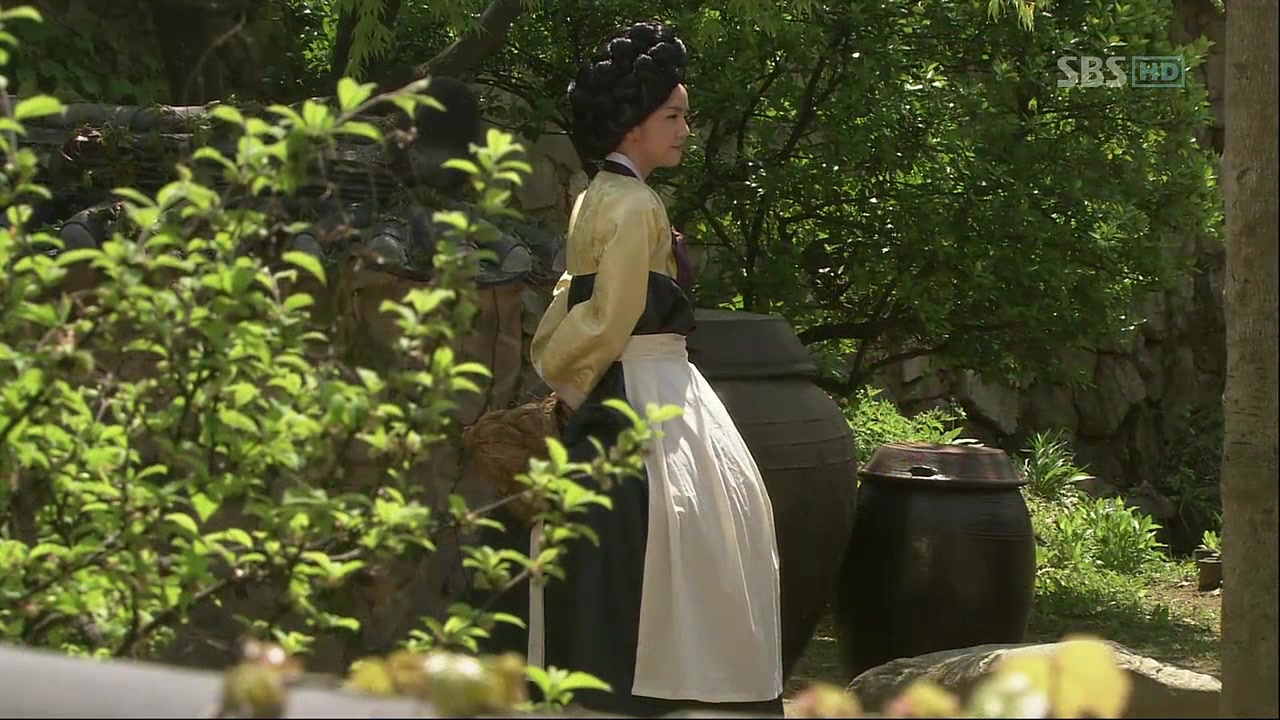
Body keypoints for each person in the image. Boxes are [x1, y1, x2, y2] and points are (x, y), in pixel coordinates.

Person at [522, 20, 785, 717]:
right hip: (648, 383)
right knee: (697, 536)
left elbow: (569, 302)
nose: (685, 130)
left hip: (618, 382)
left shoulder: (594, 195)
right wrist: (572, 380)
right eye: (673, 115)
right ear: (633, 122)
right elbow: (611, 313)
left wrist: (559, 374)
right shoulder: (636, 202)